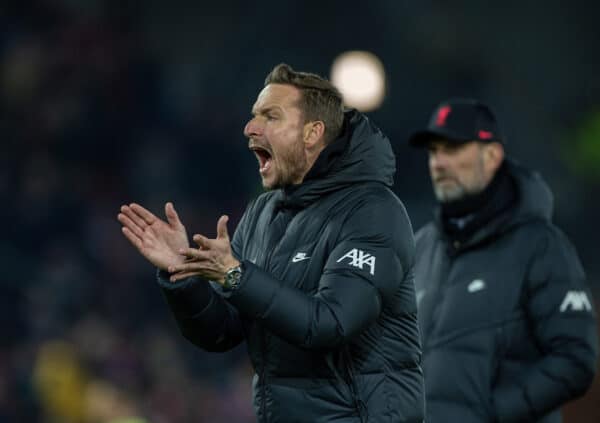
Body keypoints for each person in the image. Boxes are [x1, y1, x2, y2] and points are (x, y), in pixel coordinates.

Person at [117, 64, 424, 423]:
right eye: (252, 116)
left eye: (270, 116)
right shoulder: (264, 213)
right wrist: (183, 276)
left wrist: (235, 275)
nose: (250, 128)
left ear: (312, 133)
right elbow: (223, 332)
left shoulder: (372, 212)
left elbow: (332, 322)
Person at [408, 98, 598, 422]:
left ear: (492, 155)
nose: (438, 163)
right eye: (433, 151)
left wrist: (493, 414)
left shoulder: (540, 246)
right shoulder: (422, 247)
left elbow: (575, 358)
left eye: (452, 149)